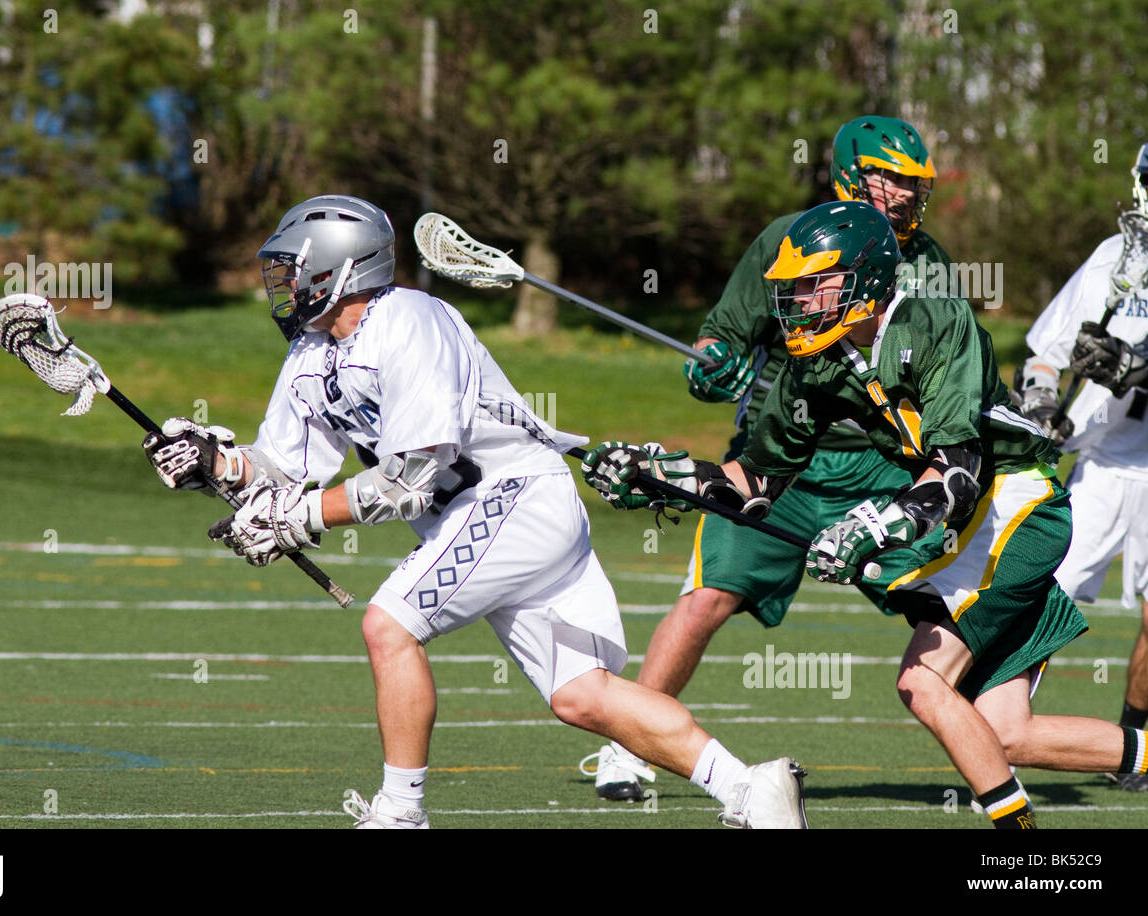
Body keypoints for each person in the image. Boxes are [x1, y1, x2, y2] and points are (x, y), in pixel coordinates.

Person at [140, 194, 808, 828]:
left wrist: (299, 518)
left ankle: (400, 812)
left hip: (514, 497)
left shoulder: (408, 321)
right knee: (584, 696)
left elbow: (409, 480)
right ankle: (752, 788)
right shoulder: (312, 351)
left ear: (338, 268)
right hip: (491, 514)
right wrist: (214, 462)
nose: (283, 284)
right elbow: (283, 467)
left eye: (292, 269)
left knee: (389, 625)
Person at [582, 200, 1148, 828]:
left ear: (865, 278)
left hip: (1016, 500)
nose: (798, 299)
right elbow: (757, 479)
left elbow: (957, 470)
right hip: (971, 519)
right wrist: (665, 477)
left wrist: (872, 527)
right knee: (1006, 731)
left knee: (923, 683)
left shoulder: (934, 320)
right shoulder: (816, 361)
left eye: (815, 283)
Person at [582, 115, 953, 801]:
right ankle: (627, 746)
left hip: (883, 466)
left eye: (912, 183)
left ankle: (1001, 734)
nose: (904, 193)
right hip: (779, 460)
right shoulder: (791, 237)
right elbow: (722, 336)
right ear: (851, 174)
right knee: (706, 599)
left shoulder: (931, 262)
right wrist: (713, 366)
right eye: (891, 178)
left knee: (949, 604)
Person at [1018, 138, 1148, 790]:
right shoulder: (1112, 257)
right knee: (1047, 600)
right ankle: (1000, 730)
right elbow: (1045, 352)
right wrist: (1044, 402)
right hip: (1099, 464)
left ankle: (1133, 746)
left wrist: (1136, 366)